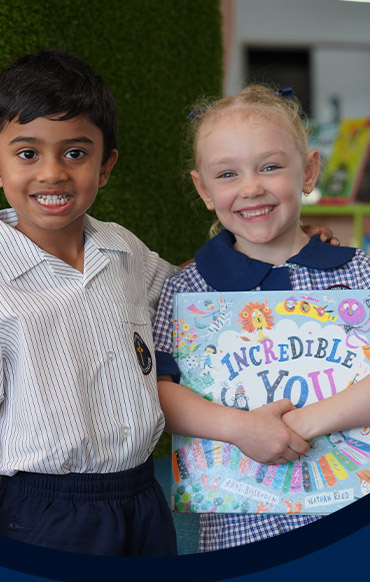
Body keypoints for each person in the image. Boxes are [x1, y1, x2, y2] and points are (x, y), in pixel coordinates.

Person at [0, 49, 179, 557]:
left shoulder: (123, 249)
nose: (53, 173)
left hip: (142, 499)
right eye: (27, 153)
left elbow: (187, 293)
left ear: (106, 166)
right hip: (46, 516)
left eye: (76, 153)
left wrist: (285, 248)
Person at [153, 84, 370, 551]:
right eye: (227, 174)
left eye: (270, 167)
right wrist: (240, 429)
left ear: (308, 171)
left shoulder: (361, 273)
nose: (251, 187)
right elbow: (157, 391)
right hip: (238, 533)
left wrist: (302, 424)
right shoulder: (186, 289)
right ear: (204, 189)